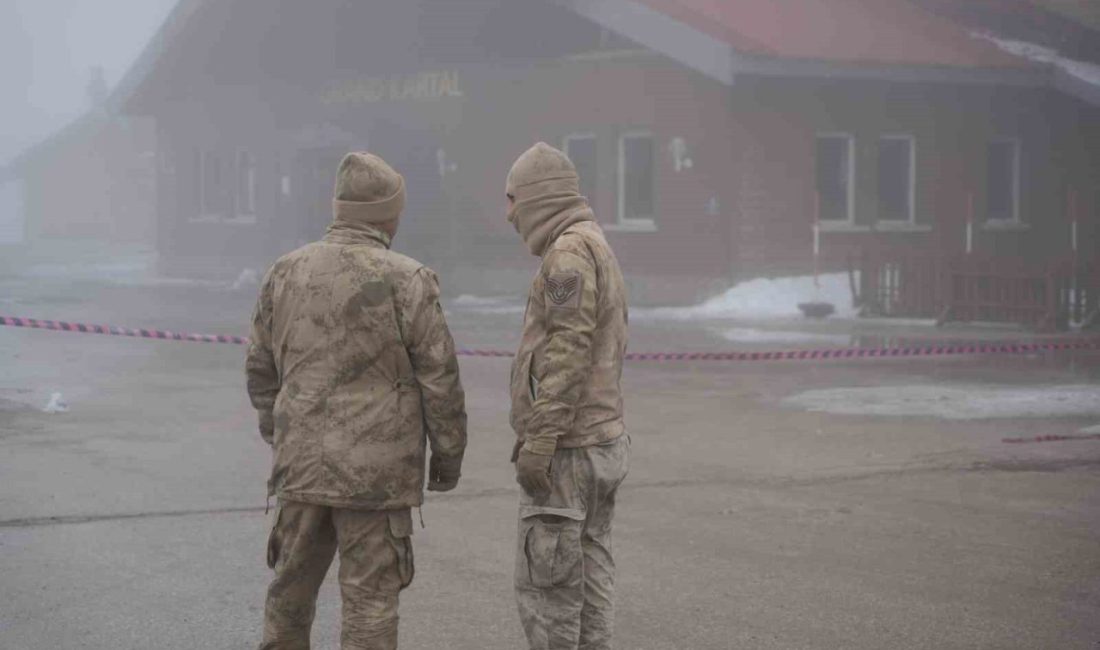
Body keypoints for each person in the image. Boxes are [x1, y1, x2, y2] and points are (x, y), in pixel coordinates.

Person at [245, 152, 467, 650]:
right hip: (376, 478)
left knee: (289, 594)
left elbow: (260, 370)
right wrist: (448, 458)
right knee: (370, 602)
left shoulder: (285, 271)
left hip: (301, 467)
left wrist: (283, 434)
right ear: (388, 214)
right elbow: (440, 380)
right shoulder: (407, 279)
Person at [506, 142, 630, 650]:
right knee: (589, 571)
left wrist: (540, 440)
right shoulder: (593, 242)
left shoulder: (568, 254)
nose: (508, 213)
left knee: (550, 592)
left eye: (513, 198)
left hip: (570, 451)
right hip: (599, 442)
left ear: (539, 199)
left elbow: (568, 350)